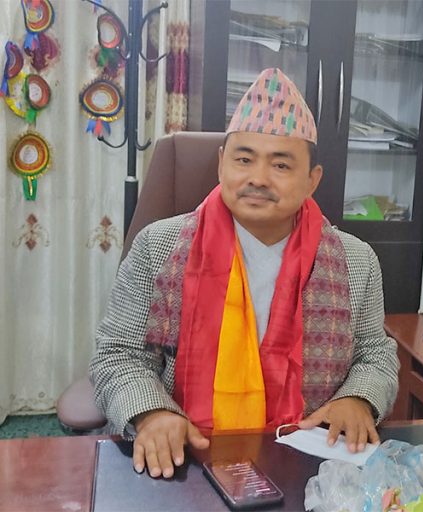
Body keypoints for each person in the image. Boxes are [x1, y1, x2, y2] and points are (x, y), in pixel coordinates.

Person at [89, 68, 399, 479]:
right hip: (183, 456)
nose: (257, 178)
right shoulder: (159, 246)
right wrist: (151, 413)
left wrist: (358, 398)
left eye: (281, 165)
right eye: (243, 159)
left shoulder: (355, 261)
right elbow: (118, 354)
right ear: (222, 164)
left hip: (308, 461)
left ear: (312, 181)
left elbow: (375, 354)